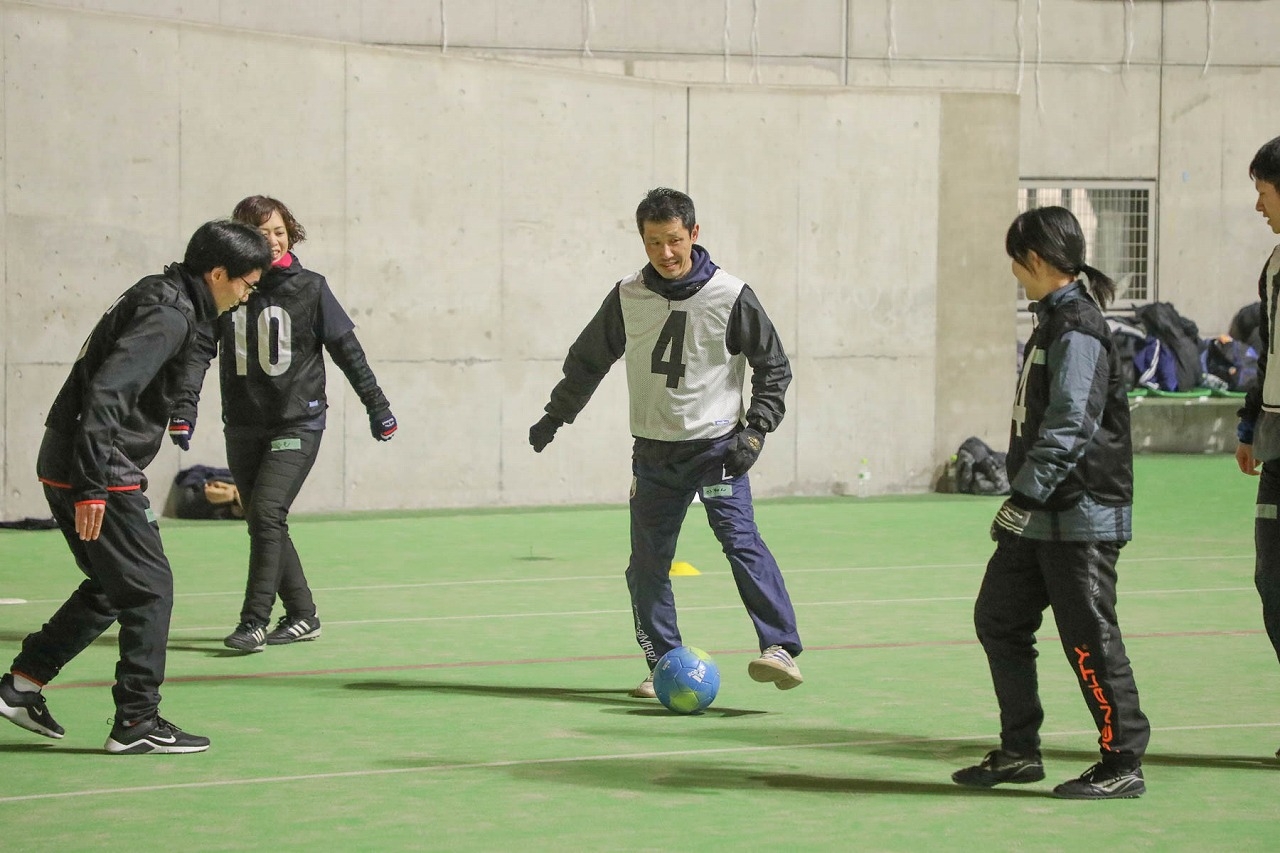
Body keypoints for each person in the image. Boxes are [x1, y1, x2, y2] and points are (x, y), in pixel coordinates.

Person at [0, 220, 271, 754]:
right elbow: (107, 393)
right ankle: (136, 723)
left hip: (69, 456)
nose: (248, 292)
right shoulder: (168, 315)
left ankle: (22, 686)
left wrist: (179, 411)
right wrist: (94, 486)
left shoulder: (166, 293)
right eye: (245, 282)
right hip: (100, 466)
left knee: (111, 587)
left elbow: (174, 366)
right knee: (149, 589)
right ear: (218, 272)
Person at [528, 187, 803, 698]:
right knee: (647, 564)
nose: (666, 253)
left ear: (694, 234)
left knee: (741, 543)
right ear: (643, 240)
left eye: (674, 240)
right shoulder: (628, 296)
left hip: (719, 452)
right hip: (654, 453)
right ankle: (662, 662)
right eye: (654, 242)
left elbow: (774, 368)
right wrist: (555, 415)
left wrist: (757, 430)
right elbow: (588, 360)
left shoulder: (731, 295)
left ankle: (779, 647)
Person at [952, 206, 1150, 799]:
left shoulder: (1078, 327)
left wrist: (1022, 497)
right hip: (1045, 514)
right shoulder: (1053, 319)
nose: (1015, 274)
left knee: (1089, 635)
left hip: (1081, 515)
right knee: (999, 619)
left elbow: (1069, 425)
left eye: (1016, 263)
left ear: (1034, 261)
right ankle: (1020, 752)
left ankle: (1122, 762)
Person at [172, 196, 397, 653]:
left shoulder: (311, 288)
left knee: (267, 512)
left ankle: (254, 622)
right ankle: (302, 614)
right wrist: (184, 408)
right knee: (262, 519)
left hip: (298, 422)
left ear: (290, 232)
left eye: (279, 231)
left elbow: (347, 351)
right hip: (243, 425)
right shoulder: (228, 289)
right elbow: (199, 351)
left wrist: (378, 406)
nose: (273, 241)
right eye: (261, 233)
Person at [1234, 134, 1280, 759]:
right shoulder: (1274, 265)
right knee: (1271, 581)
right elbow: (1267, 351)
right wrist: (1250, 425)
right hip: (1277, 443)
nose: (1259, 205)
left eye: (1264, 192)